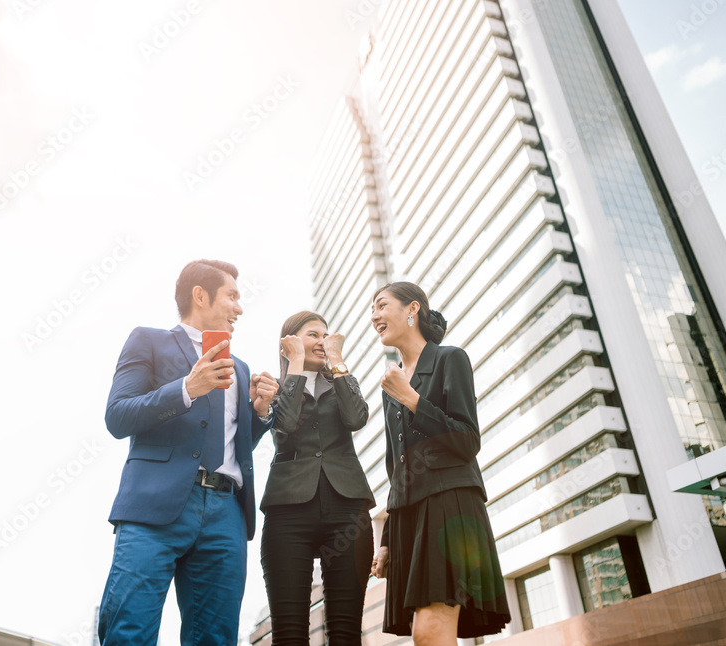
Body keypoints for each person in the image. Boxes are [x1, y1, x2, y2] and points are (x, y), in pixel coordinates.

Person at [97, 259, 279, 646]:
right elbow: (117, 416)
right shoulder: (148, 340)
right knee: (129, 629)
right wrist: (186, 389)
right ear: (200, 295)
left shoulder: (241, 368)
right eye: (232, 296)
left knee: (216, 638)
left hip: (226, 516)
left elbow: (235, 446)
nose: (239, 308)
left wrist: (261, 415)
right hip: (153, 510)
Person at [368, 282, 510, 643]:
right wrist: (386, 540)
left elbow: (467, 440)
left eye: (381, 306)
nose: (374, 316)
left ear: (412, 309)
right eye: (372, 310)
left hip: (450, 504)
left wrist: (413, 400)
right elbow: (395, 467)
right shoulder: (392, 384)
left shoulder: (450, 359)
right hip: (409, 515)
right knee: (423, 632)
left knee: (429, 632)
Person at [257, 311, 376, 645]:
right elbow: (287, 424)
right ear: (290, 343)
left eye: (326, 335)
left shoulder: (341, 380)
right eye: (313, 335)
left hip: (347, 507)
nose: (323, 341)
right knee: (289, 632)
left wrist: (337, 360)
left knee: (346, 629)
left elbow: (356, 418)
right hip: (288, 510)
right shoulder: (275, 387)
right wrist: (294, 365)